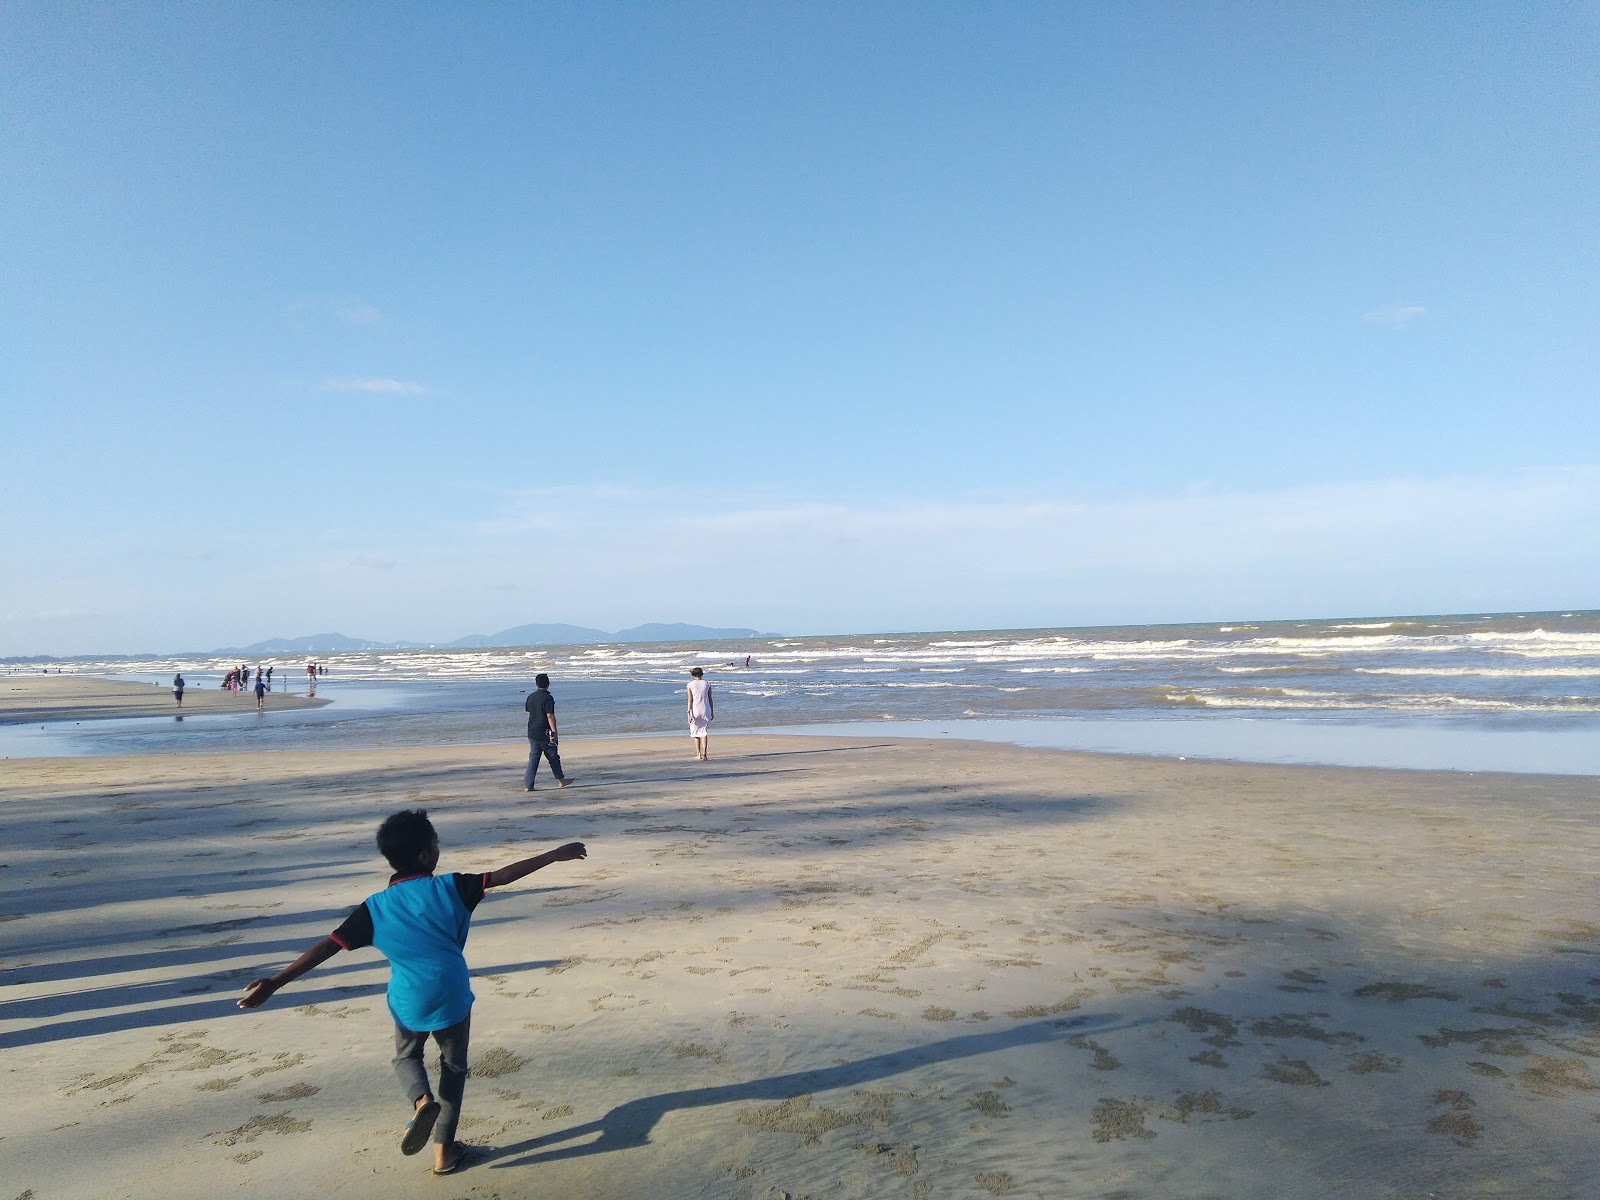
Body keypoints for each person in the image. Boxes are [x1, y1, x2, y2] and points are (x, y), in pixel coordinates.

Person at [237, 809, 587, 1176]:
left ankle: (421, 1102)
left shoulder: (374, 908)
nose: (438, 847)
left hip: (409, 1000)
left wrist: (275, 982)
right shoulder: (453, 886)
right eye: (435, 843)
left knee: (407, 1058)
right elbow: (503, 876)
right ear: (425, 856)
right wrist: (552, 855)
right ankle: (444, 1153)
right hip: (452, 993)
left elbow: (327, 947)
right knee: (453, 1070)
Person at [523, 672, 573, 791]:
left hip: (532, 731)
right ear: (548, 684)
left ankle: (528, 784)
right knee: (553, 757)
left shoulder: (530, 697)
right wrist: (554, 732)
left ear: (536, 684)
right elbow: (550, 716)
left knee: (534, 758)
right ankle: (561, 780)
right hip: (545, 732)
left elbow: (530, 714)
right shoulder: (548, 697)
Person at [687, 667, 714, 761]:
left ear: (693, 675)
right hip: (706, 709)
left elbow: (690, 700)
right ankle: (705, 753)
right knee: (704, 732)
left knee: (696, 732)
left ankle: (698, 753)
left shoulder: (690, 684)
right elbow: (710, 699)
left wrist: (688, 712)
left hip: (695, 710)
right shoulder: (707, 684)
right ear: (702, 674)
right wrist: (712, 711)